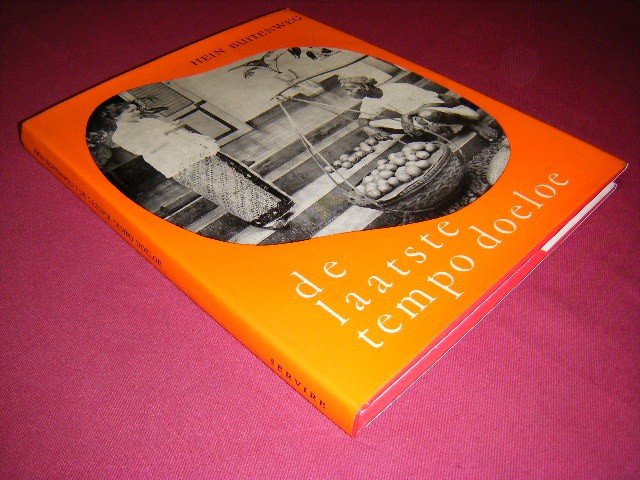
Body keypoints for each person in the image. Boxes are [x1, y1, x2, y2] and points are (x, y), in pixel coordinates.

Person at [107, 103, 293, 229]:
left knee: (236, 181)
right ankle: (264, 219)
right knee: (221, 190)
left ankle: (274, 209)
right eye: (131, 111)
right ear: (118, 117)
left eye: (136, 109)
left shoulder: (148, 121)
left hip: (196, 153)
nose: (137, 112)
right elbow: (145, 148)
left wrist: (180, 133)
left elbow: (173, 134)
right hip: (180, 163)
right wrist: (170, 130)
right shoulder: (120, 135)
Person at [338, 76, 445, 139]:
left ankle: (437, 129)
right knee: (372, 124)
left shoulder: (397, 88)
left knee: (427, 114)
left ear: (365, 87)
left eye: (350, 90)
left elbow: (437, 102)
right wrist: (366, 128)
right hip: (414, 118)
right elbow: (362, 119)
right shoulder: (369, 100)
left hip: (434, 110)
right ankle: (423, 131)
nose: (349, 94)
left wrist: (407, 115)